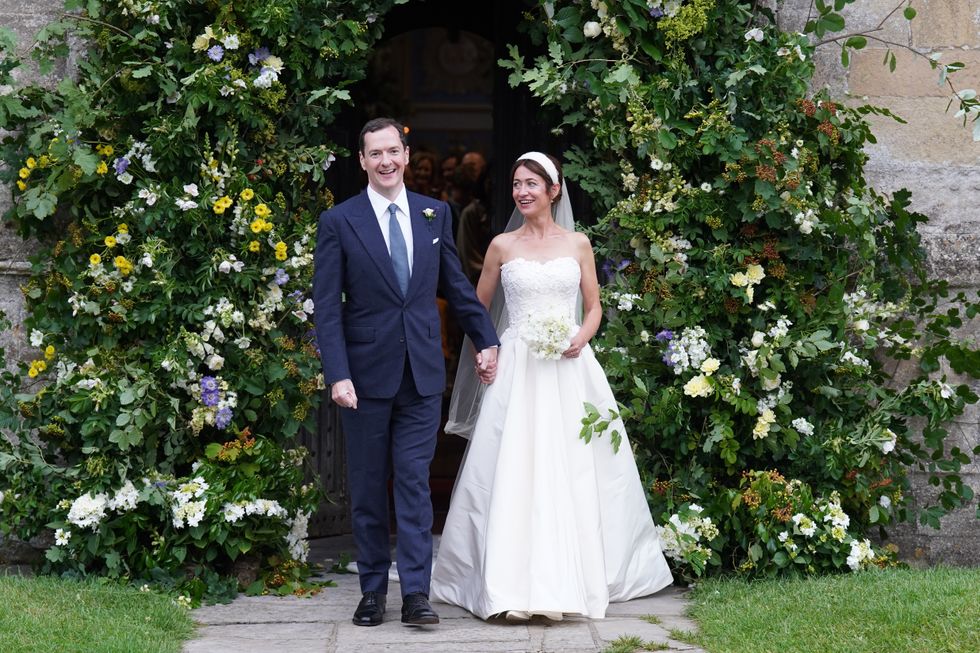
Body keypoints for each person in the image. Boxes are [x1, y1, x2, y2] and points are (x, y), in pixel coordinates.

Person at [431, 152, 674, 621]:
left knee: (574, 467)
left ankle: (572, 577)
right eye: (517, 184)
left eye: (531, 185)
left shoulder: (578, 243)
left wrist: (581, 336)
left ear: (553, 190)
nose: (522, 192)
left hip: (568, 368)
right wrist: (488, 350)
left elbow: (594, 307)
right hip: (518, 367)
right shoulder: (502, 245)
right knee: (514, 467)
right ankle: (505, 582)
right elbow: (475, 308)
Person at [313, 117, 500, 628]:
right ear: (362, 161)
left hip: (421, 374)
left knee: (415, 485)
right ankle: (372, 592)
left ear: (405, 151)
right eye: (375, 153)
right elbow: (327, 307)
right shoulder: (340, 222)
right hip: (364, 380)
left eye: (393, 150)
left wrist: (486, 339)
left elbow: (456, 287)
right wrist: (338, 373)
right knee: (370, 488)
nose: (386, 161)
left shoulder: (434, 213)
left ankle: (417, 593)